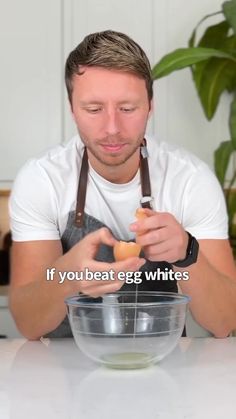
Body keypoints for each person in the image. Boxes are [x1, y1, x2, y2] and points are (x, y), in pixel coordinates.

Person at [9, 30, 236, 340]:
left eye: (128, 109)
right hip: (63, 376)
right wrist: (67, 275)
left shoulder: (190, 180)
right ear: (72, 108)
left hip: (166, 369)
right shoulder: (41, 179)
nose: (112, 128)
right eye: (93, 109)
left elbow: (225, 321)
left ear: (150, 106)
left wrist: (187, 252)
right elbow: (27, 323)